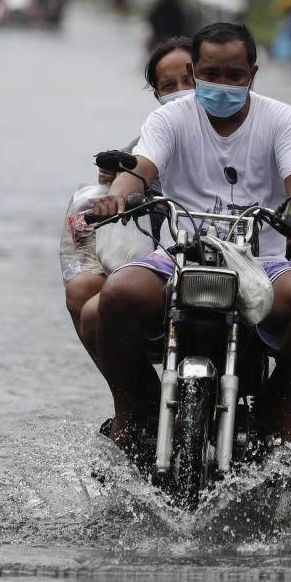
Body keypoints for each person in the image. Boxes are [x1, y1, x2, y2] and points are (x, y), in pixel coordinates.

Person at [92, 22, 291, 451]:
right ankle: (132, 411)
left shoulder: (282, 119)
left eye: (234, 75)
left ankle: (282, 417)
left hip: (261, 263)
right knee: (116, 294)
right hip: (178, 255)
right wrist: (116, 197)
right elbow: (139, 169)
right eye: (210, 74)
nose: (222, 85)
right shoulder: (169, 116)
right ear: (195, 69)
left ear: (253, 72)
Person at [63, 37, 195, 371]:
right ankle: (137, 400)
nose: (182, 90)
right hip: (165, 254)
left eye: (190, 80)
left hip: (231, 254)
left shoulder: (253, 125)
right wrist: (113, 189)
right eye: (170, 85)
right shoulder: (151, 136)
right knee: (83, 290)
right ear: (157, 96)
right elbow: (135, 173)